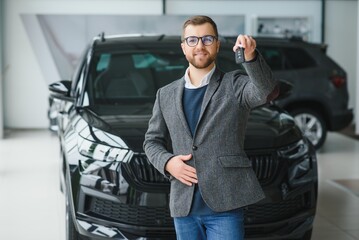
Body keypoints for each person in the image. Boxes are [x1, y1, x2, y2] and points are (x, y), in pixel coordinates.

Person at [143, 15, 278, 240]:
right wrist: (168, 163)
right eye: (192, 40)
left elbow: (264, 91)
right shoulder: (165, 94)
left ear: (217, 44)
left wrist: (250, 58)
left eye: (207, 39)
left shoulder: (235, 85)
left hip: (225, 205)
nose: (200, 46)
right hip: (183, 206)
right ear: (184, 47)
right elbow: (151, 141)